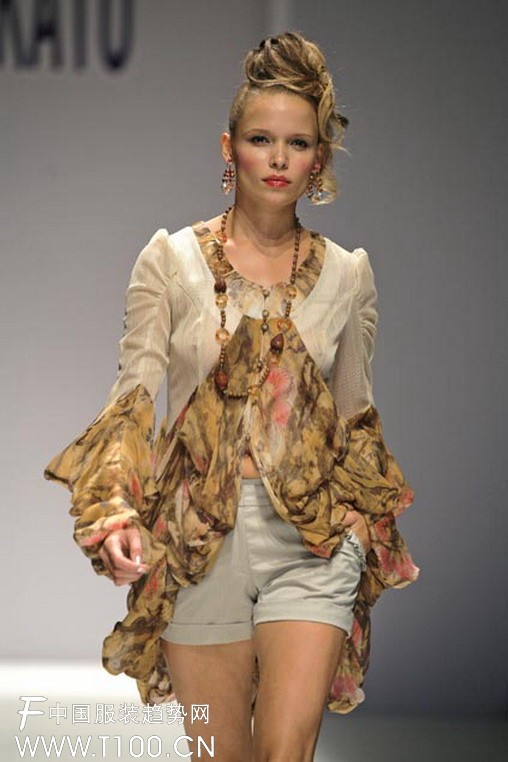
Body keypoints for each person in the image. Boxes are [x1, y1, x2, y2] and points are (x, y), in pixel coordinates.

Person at [45, 32, 419, 762]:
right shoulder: (171, 261)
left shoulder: (348, 275)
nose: (278, 159)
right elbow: (133, 400)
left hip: (312, 542)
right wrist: (115, 511)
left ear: (318, 159)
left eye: (297, 143)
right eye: (260, 139)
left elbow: (354, 416)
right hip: (199, 538)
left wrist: (359, 524)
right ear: (230, 148)